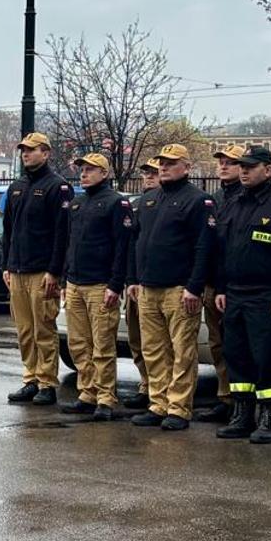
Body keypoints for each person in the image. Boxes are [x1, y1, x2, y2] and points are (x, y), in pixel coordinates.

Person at [208, 145, 271, 444]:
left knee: (265, 358)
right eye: (242, 166)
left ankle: (267, 418)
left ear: (268, 169)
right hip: (234, 294)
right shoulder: (233, 204)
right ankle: (242, 414)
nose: (244, 170)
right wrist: (221, 288)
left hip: (266, 295)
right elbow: (223, 251)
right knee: (236, 356)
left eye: (250, 166)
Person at [125, 144, 213, 430]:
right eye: (162, 162)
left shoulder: (198, 201)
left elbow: (204, 247)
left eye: (171, 163)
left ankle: (178, 408)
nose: (163, 167)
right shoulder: (150, 200)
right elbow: (137, 241)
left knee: (182, 351)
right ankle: (158, 403)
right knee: (153, 349)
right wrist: (135, 279)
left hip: (179, 289)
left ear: (186, 167)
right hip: (149, 287)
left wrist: (194, 286)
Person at [59, 152, 130, 420]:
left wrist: (115, 284)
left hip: (101, 285)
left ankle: (105, 397)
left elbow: (122, 247)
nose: (84, 174)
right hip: (76, 283)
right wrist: (66, 279)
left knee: (102, 345)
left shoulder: (116, 203)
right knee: (78, 344)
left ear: (104, 173)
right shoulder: (77, 204)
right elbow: (70, 245)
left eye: (90, 169)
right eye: (82, 169)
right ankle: (86, 392)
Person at [2, 132, 72, 405]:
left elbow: (62, 233)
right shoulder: (16, 187)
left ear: (46, 153)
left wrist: (54, 271)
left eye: (31, 150)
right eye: (23, 150)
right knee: (25, 330)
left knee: (44, 328)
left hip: (42, 271)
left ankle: (46, 382)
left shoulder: (57, 187)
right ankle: (30, 378)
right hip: (17, 269)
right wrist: (6, 264)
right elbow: (8, 230)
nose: (25, 154)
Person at [196, 145, 246, 423]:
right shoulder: (214, 199)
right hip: (213, 285)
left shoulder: (245, 198)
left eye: (231, 163)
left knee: (237, 345)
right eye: (221, 162)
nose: (224, 167)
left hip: (236, 287)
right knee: (217, 343)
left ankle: (243, 402)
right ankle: (225, 396)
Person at [120, 160, 160, 410]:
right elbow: (131, 245)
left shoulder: (165, 204)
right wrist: (129, 279)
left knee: (157, 343)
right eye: (145, 173)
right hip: (136, 282)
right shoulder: (139, 205)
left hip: (158, 283)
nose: (148, 178)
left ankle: (158, 389)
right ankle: (146, 383)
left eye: (153, 174)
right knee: (136, 338)